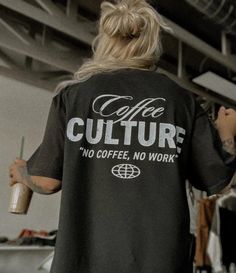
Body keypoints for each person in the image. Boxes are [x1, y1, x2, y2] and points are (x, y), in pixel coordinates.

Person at [8, 0, 236, 272]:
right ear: (152, 44)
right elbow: (217, 180)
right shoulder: (181, 101)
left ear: (106, 41)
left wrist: (22, 172)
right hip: (160, 263)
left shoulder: (73, 97)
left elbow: (46, 181)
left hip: (86, 263)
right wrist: (227, 134)